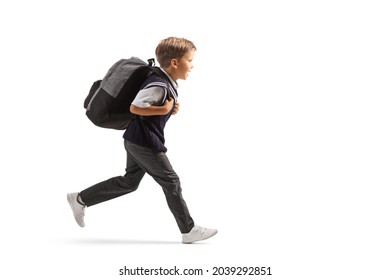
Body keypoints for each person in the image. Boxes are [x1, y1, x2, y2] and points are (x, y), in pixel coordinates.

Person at [67, 37, 217, 244]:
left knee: (129, 182)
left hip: (135, 138)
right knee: (171, 181)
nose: (192, 65)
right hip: (144, 142)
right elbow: (135, 107)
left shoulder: (164, 81)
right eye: (189, 60)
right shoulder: (159, 84)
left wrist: (168, 110)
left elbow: (148, 105)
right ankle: (188, 230)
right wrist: (163, 109)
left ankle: (80, 199)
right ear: (174, 62)